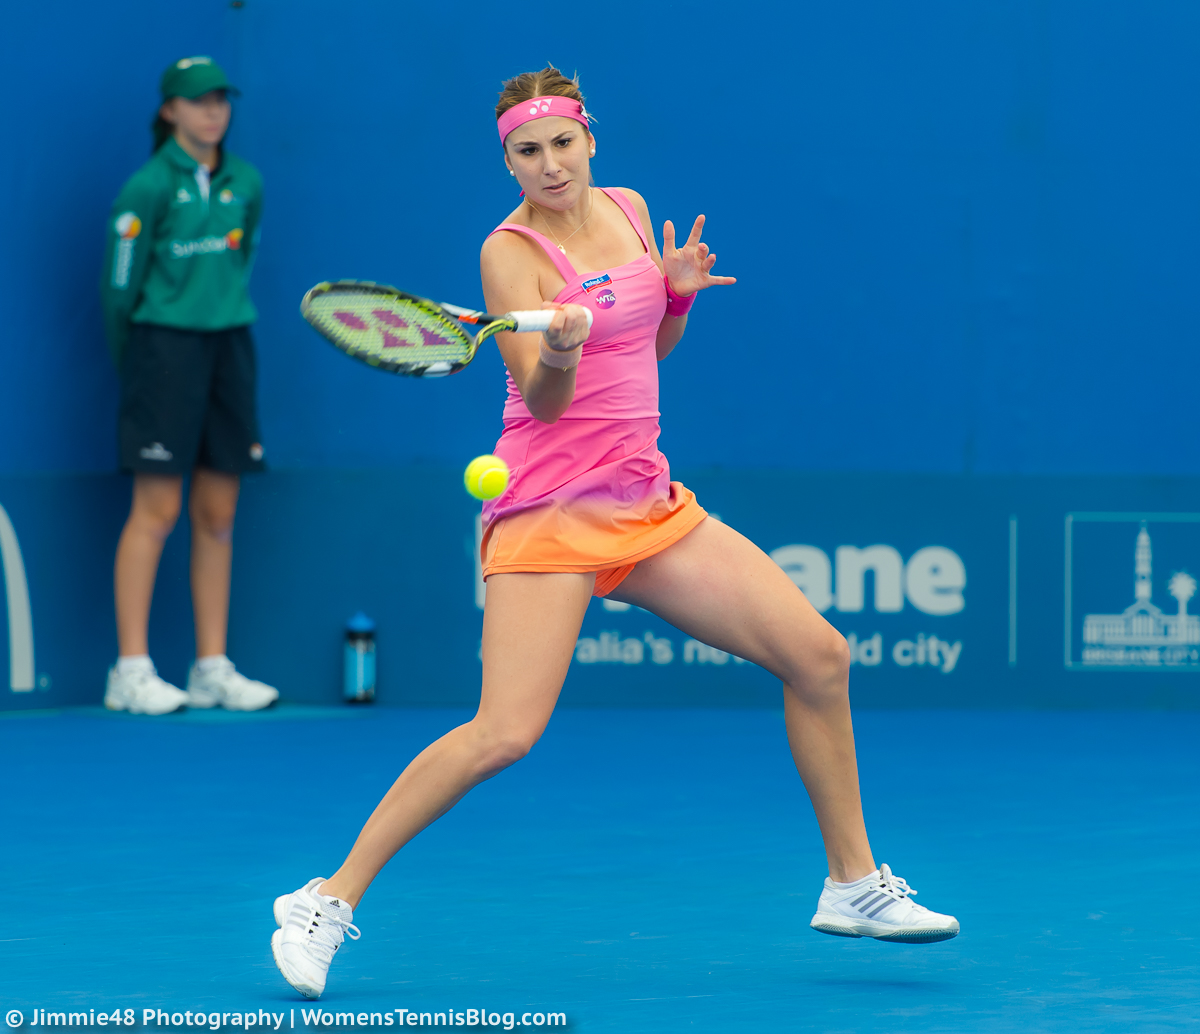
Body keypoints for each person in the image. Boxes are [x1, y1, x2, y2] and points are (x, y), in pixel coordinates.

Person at [270, 66, 958, 999]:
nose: (550, 165)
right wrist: (559, 345)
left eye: (563, 143)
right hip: (549, 505)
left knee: (820, 656)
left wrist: (673, 296)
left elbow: (649, 348)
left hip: (644, 499)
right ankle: (327, 899)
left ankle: (853, 885)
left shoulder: (632, 210)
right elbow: (548, 407)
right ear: (507, 160)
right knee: (504, 733)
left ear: (589, 137)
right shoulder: (507, 254)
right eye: (527, 151)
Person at [99, 56, 278, 715]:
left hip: (229, 347)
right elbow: (118, 294)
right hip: (161, 351)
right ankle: (131, 669)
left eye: (220, 100)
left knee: (218, 513)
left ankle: (210, 666)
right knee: (158, 511)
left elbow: (243, 258)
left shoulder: (246, 183)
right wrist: (145, 366)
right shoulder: (145, 189)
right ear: (170, 110)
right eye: (197, 101)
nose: (213, 111)